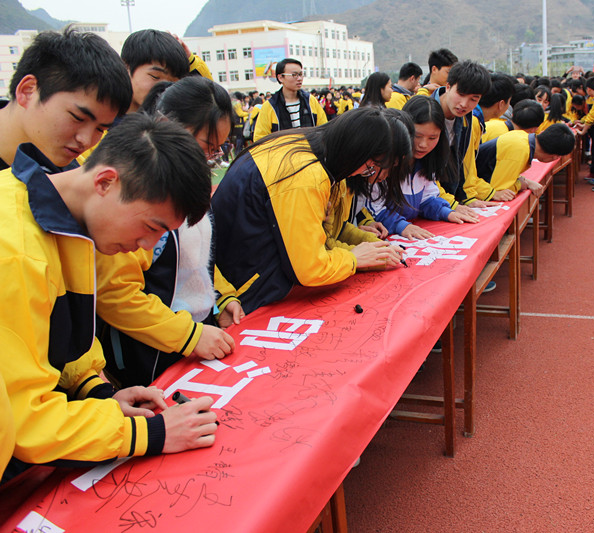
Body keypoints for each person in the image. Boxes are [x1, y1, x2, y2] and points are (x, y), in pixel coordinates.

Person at [0, 114, 217, 483]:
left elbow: (56, 337)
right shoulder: (16, 251)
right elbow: (24, 421)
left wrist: (98, 392)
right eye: (152, 228)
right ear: (105, 182)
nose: (146, 248)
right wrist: (153, 434)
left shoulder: (57, 215)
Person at [96, 77, 243, 389]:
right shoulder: (138, 190)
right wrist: (187, 336)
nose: (210, 157)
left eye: (218, 148)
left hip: (195, 333)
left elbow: (199, 256)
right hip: (153, 348)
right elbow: (117, 294)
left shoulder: (188, 179)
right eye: (206, 145)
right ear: (166, 123)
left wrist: (222, 295)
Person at [211, 107, 408, 313]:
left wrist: (373, 251)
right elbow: (310, 268)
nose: (365, 174)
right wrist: (355, 259)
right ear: (356, 149)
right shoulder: (307, 175)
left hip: (247, 280)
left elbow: (327, 236)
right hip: (243, 293)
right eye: (370, 168)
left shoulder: (315, 151)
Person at [0, 29, 131, 171]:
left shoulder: (73, 172)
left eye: (100, 129)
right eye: (78, 118)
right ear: (28, 91)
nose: (86, 141)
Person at [365, 96, 479, 239]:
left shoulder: (427, 163)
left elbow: (428, 198)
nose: (423, 144)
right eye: (418, 136)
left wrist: (446, 212)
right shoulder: (384, 165)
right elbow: (374, 208)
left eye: (432, 138)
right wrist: (402, 226)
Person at [430, 60, 499, 204]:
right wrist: (450, 203)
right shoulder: (424, 114)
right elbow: (421, 173)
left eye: (473, 99)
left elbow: (467, 165)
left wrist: (469, 197)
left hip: (446, 199)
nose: (464, 104)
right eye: (460, 94)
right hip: (426, 199)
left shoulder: (469, 121)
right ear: (448, 86)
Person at [477, 122, 575, 200]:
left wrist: (525, 180)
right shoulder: (520, 151)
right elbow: (500, 189)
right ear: (555, 157)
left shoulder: (523, 135)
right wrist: (521, 184)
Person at [253, 58, 327, 141]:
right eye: (294, 75)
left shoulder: (310, 101)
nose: (299, 78)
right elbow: (260, 139)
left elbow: (324, 129)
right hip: (282, 153)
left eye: (301, 74)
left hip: (309, 152)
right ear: (280, 77)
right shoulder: (270, 106)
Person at [121, 29, 191, 114]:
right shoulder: (104, 121)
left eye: (174, 84)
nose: (164, 89)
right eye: (155, 77)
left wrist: (192, 61)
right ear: (125, 67)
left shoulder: (175, 123)